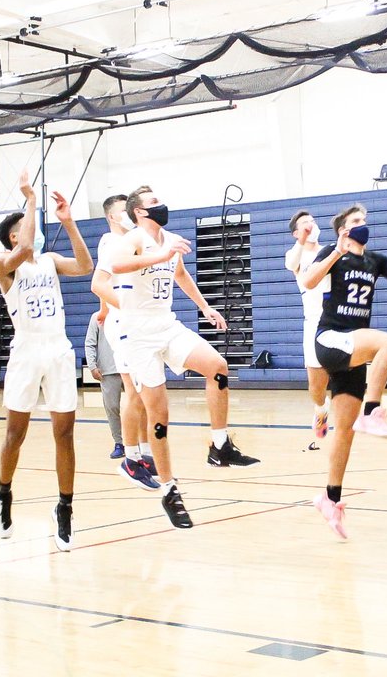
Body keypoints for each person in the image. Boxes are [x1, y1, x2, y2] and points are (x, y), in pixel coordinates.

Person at [107, 185, 259, 529]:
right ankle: (168, 488)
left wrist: (205, 308)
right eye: (154, 203)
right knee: (159, 415)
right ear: (140, 212)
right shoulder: (132, 238)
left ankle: (220, 447)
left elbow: (181, 275)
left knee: (217, 367)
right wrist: (160, 256)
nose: (162, 205)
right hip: (139, 335)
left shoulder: (170, 239)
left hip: (167, 325)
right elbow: (117, 264)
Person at [302, 199, 387, 539]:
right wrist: (334, 253)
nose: (364, 223)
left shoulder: (376, 261)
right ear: (344, 229)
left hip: (352, 348)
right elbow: (308, 282)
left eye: (365, 219)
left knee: (343, 431)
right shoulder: (332, 251)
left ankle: (330, 498)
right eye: (358, 219)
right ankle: (372, 411)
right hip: (331, 339)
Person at [0, 174, 93, 551]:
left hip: (58, 350)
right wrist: (31, 201)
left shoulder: (49, 261)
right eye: (25, 229)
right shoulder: (5, 263)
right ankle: (4, 495)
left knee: (64, 433)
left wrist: (68, 222)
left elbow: (85, 265)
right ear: (14, 237)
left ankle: (64, 508)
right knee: (15, 434)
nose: (32, 232)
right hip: (26, 351)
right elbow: (18, 253)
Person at [91, 194, 158, 492]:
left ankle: (143, 453)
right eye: (123, 211)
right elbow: (100, 282)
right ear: (112, 217)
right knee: (134, 391)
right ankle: (133, 458)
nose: (129, 215)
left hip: (134, 320)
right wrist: (112, 309)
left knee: (144, 391)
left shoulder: (134, 240)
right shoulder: (110, 242)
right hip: (124, 322)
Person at [284, 210, 330, 437]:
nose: (311, 225)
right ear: (296, 233)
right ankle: (321, 409)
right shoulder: (295, 256)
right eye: (304, 224)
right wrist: (302, 241)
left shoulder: (330, 250)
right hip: (314, 322)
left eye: (312, 221)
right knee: (316, 385)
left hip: (338, 320)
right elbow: (291, 263)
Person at [84, 315, 124, 458]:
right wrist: (92, 366)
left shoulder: (127, 309)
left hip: (130, 367)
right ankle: (119, 443)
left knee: (138, 407)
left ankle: (139, 444)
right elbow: (89, 343)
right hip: (108, 370)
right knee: (112, 408)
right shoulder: (97, 317)